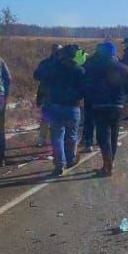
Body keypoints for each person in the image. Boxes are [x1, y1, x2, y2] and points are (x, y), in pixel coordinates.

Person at [34, 44, 87, 177]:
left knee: (57, 136)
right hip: (73, 107)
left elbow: (38, 77)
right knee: (72, 135)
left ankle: (59, 164)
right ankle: (71, 159)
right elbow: (84, 90)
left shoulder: (52, 68)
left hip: (55, 105)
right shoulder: (79, 70)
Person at [83, 41, 128, 177]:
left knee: (102, 136)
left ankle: (107, 165)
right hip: (117, 106)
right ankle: (110, 163)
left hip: (99, 106)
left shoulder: (93, 67)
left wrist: (89, 100)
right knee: (114, 134)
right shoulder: (122, 67)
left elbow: (85, 85)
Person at [35, 44, 61, 147]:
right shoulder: (45, 63)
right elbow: (36, 75)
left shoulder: (63, 64)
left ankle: (55, 139)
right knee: (46, 117)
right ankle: (42, 138)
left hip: (60, 95)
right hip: (48, 94)